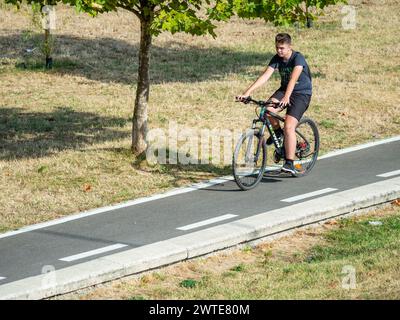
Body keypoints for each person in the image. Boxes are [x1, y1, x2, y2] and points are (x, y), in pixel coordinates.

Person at [236, 33, 312, 175]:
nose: (279, 51)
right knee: (266, 110)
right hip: (284, 90)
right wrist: (247, 93)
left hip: (301, 93)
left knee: (289, 126)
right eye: (277, 48)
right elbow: (265, 76)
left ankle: (289, 163)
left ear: (290, 47)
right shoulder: (277, 59)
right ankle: (278, 133)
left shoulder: (298, 58)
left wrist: (287, 97)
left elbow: (293, 79)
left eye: (282, 48)